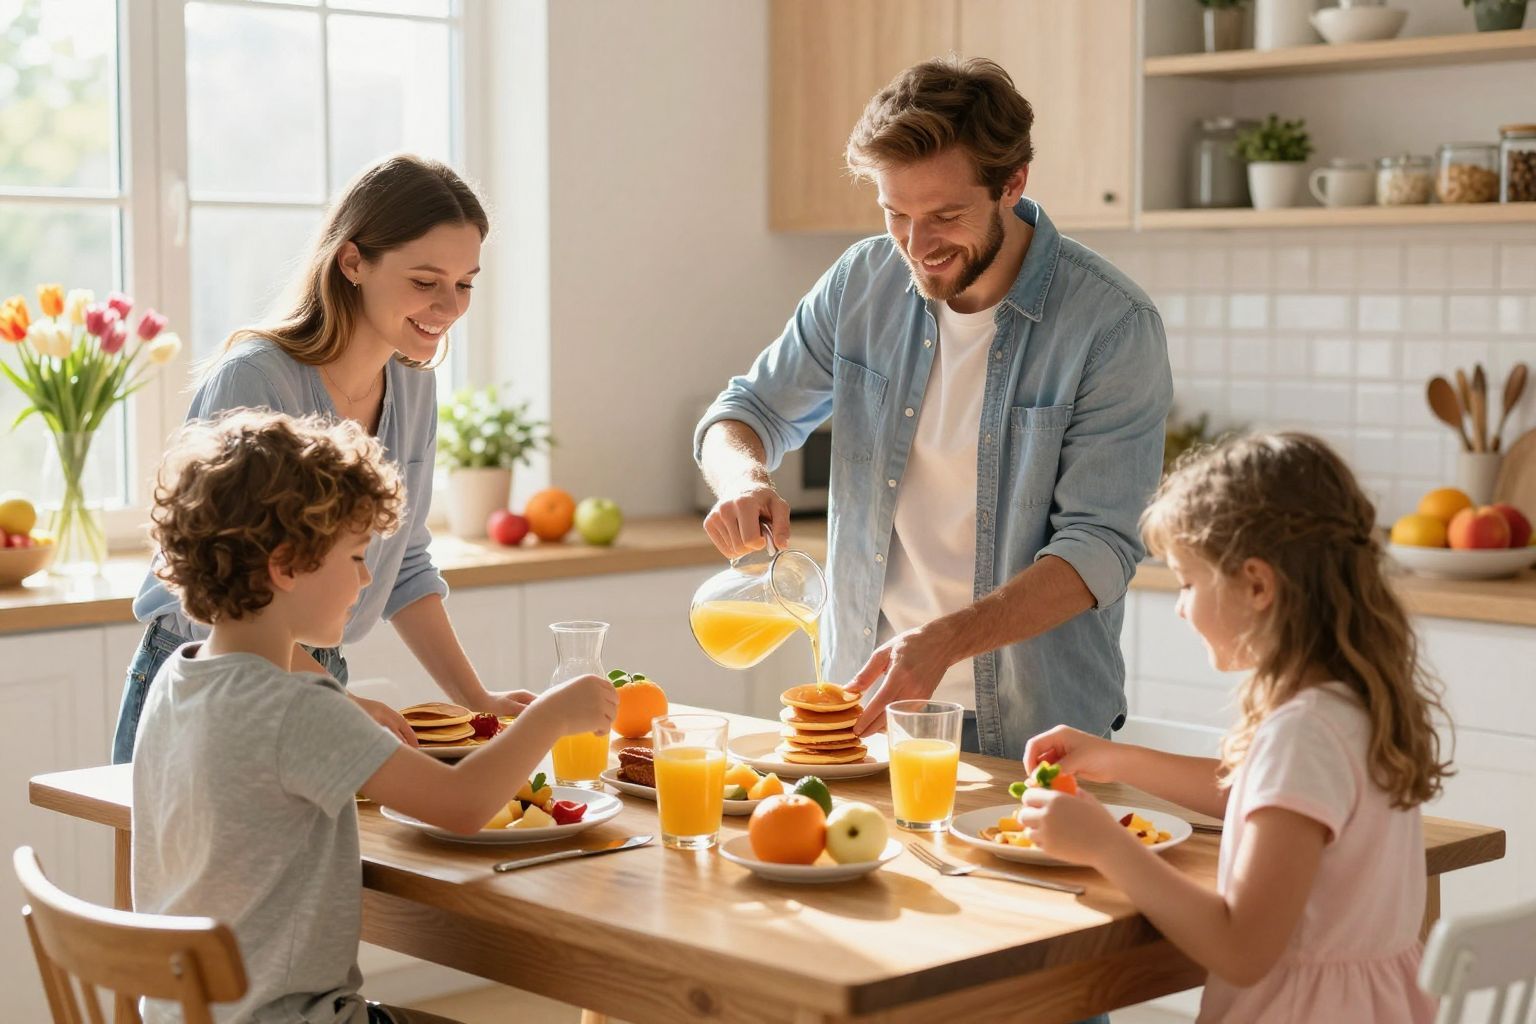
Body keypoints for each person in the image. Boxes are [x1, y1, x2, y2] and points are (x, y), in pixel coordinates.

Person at [694, 57, 1171, 756]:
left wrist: (942, 642)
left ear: (1012, 185)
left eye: (946, 216)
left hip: (1035, 731)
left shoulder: (1111, 323)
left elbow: (1097, 549)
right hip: (864, 711)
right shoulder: (862, 283)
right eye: (896, 214)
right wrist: (743, 478)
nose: (917, 247)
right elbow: (743, 412)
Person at [133, 410, 617, 1024]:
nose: (366, 580)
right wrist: (548, 716)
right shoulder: (294, 708)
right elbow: (463, 805)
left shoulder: (178, 678)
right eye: (356, 557)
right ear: (286, 565)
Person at [1017, 433, 1450, 1023]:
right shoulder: (1350, 705)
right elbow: (1253, 797)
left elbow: (1241, 949)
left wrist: (1103, 843)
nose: (1181, 606)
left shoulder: (1303, 733)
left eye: (1188, 582)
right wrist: (1112, 760)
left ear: (1257, 584)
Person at [114, 153, 528, 763]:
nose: (449, 307)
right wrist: (325, 697)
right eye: (425, 281)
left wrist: (478, 699)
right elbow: (202, 583)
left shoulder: (414, 386)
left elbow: (404, 564)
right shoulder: (256, 380)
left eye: (464, 283)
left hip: (316, 672)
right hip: (211, 677)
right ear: (354, 260)